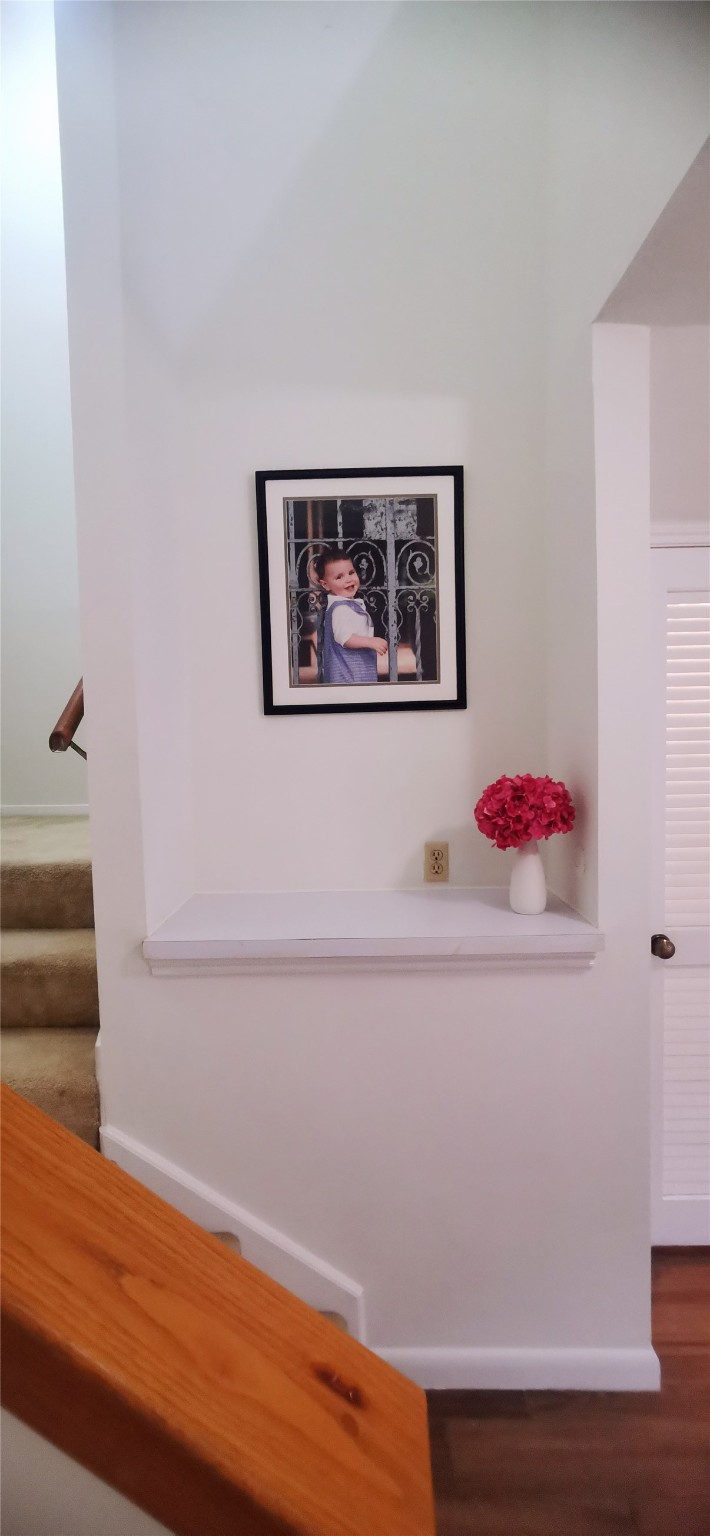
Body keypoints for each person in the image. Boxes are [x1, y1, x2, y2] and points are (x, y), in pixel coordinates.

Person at [313, 548, 388, 684]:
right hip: (347, 677)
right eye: (339, 577)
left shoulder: (346, 605)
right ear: (325, 584)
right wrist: (371, 642)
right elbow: (345, 638)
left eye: (351, 572)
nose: (348, 579)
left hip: (354, 673)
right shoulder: (340, 609)